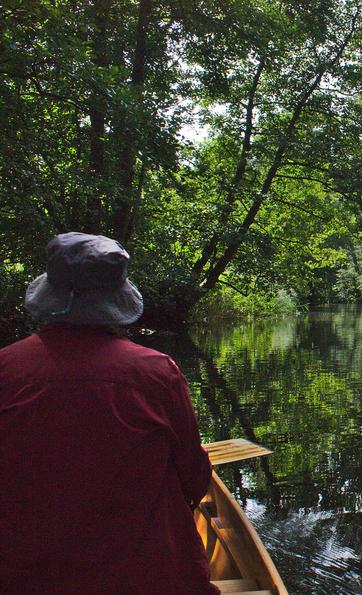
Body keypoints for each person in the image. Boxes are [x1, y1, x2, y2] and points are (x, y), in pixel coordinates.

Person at [0, 232, 218, 593]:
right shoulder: (156, 373)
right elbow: (193, 479)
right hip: (147, 580)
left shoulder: (5, 370)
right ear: (115, 301)